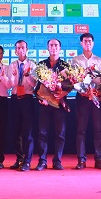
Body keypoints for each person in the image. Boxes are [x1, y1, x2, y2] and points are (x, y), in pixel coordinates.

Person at [70, 32, 101, 169]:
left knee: (98, 129)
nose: (88, 43)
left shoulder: (99, 60)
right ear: (81, 43)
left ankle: (99, 159)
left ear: (93, 43)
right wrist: (84, 85)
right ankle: (81, 160)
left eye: (90, 41)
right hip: (83, 98)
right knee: (81, 130)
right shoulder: (76, 60)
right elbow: (75, 79)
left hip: (96, 97)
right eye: (85, 41)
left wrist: (93, 78)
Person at [35, 38, 69, 171]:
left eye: (56, 45)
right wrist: (40, 98)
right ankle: (42, 161)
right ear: (47, 48)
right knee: (42, 133)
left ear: (60, 48)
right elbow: (37, 86)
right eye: (51, 45)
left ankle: (57, 161)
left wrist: (64, 93)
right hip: (44, 104)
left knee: (60, 134)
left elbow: (70, 84)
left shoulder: (65, 65)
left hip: (59, 104)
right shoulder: (41, 65)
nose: (53, 47)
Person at [8, 39, 36, 171]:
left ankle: (27, 161)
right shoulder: (12, 65)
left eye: (23, 48)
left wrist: (28, 75)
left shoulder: (32, 64)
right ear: (15, 51)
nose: (20, 50)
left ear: (27, 49)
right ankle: (19, 159)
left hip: (27, 99)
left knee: (27, 132)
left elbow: (34, 84)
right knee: (16, 131)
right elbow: (11, 85)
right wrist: (14, 77)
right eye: (18, 48)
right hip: (15, 98)